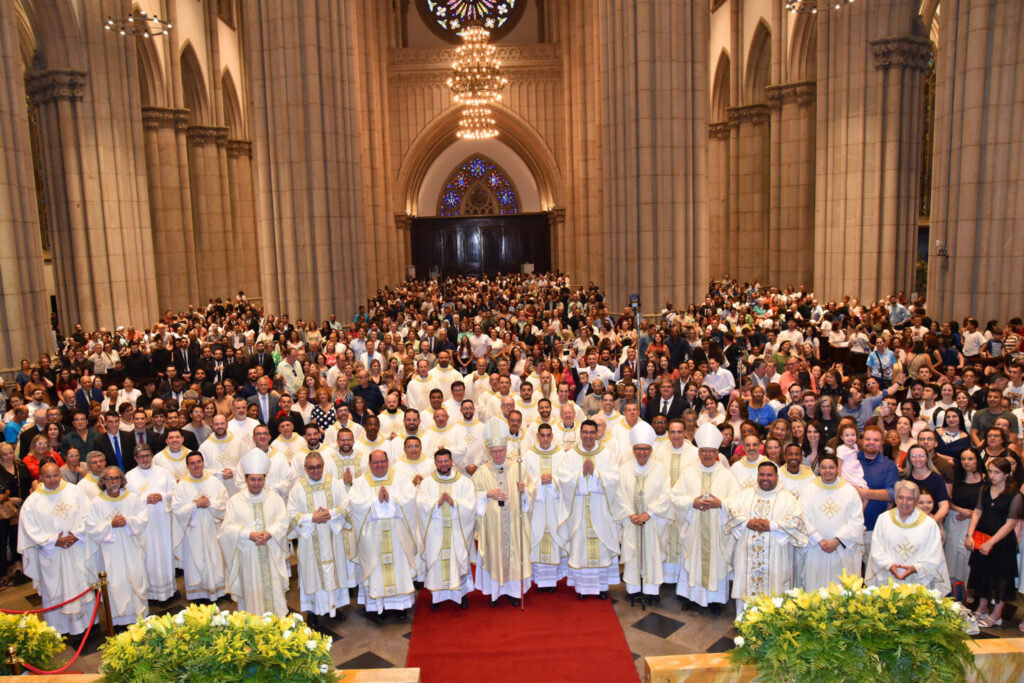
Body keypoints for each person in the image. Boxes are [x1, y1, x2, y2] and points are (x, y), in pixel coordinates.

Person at [16, 463, 94, 634]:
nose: (52, 480)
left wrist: (77, 534)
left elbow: (89, 515)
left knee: (81, 582)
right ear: (41, 478)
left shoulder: (75, 492)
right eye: (47, 477)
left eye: (55, 475)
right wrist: (53, 541)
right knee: (55, 587)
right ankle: (59, 626)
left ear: (61, 474)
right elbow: (29, 529)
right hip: (51, 554)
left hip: (77, 547)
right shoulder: (32, 502)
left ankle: (87, 622)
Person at [670, 423, 738, 613]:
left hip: (718, 531)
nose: (707, 454)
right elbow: (675, 497)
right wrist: (692, 502)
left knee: (716, 561)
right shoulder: (689, 473)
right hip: (694, 529)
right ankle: (690, 597)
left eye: (711, 451)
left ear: (717, 452)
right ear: (699, 452)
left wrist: (721, 504)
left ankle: (715, 600)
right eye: (704, 451)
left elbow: (737, 502)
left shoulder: (726, 475)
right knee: (692, 558)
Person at [726, 461, 809, 615]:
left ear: (777, 477)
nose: (765, 478)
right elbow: (732, 512)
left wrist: (772, 526)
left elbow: (796, 521)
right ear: (757, 476)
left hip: (776, 557)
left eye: (769, 475)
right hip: (747, 555)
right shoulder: (745, 495)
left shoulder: (787, 498)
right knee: (746, 587)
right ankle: (744, 619)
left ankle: (772, 624)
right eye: (762, 474)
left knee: (774, 589)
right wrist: (748, 522)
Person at [218, 450, 291, 616]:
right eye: (252, 479)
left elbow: (284, 521)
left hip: (271, 552)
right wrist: (247, 534)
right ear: (246, 479)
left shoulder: (275, 499)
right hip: (248, 557)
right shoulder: (235, 501)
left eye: (260, 479)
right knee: (251, 595)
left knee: (274, 590)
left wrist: (270, 533)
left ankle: (277, 624)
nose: (256, 483)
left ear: (265, 479)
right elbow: (226, 530)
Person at [349, 450, 418, 620]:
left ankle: (400, 606)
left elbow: (410, 497)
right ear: (370, 464)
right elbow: (354, 503)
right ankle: (375, 608)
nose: (379, 465)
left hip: (396, 536)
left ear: (388, 462)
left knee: (399, 569)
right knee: (376, 572)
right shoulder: (360, 482)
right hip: (372, 539)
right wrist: (376, 502)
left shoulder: (400, 478)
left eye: (382, 462)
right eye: (376, 463)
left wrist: (392, 499)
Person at [286, 452, 351, 625]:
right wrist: (311, 518)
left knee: (333, 572)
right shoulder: (298, 487)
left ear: (323, 466)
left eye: (318, 467)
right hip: (309, 541)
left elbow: (346, 505)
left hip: (331, 537)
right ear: (305, 469)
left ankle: (333, 608)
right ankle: (312, 612)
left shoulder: (333, 483)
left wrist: (331, 513)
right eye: (311, 467)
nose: (315, 470)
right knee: (311, 574)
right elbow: (291, 515)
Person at [473, 419, 533, 606]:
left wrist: (525, 492)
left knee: (514, 557)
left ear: (506, 450)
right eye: (495, 452)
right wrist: (486, 494)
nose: (499, 454)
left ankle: (514, 593)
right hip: (492, 528)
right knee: (494, 556)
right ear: (489, 452)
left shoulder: (517, 468)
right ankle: (495, 593)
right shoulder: (481, 472)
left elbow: (529, 495)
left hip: (513, 524)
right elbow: (472, 497)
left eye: (502, 451)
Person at [83, 465, 149, 626]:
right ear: (103, 481)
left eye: (117, 478)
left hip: (131, 546)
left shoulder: (132, 498)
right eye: (110, 479)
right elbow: (91, 526)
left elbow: (143, 518)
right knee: (115, 582)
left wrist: (128, 521)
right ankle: (118, 620)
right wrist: (110, 524)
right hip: (110, 552)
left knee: (136, 575)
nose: (114, 482)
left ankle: (138, 616)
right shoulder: (97, 502)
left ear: (122, 480)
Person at [965, 457, 1022, 629]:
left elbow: (1011, 523)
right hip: (981, 536)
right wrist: (970, 534)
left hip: (1002, 542)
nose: (992, 475)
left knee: (1001, 578)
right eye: (990, 471)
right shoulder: (985, 488)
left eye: (997, 472)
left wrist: (991, 542)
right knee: (982, 574)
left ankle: (997, 614)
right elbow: (977, 511)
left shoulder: (1015, 495)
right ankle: (982, 607)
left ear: (1007, 474)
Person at [617, 422, 671, 605]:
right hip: (631, 521)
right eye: (638, 449)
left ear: (651, 449)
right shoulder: (624, 469)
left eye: (646, 449)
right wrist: (630, 514)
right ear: (633, 450)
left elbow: (666, 494)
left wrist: (650, 513)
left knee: (652, 554)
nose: (642, 453)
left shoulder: (660, 469)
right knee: (632, 554)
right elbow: (618, 495)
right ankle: (633, 589)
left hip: (652, 521)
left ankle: (651, 590)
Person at [416, 448, 476, 610]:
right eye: (440, 461)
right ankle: (437, 597)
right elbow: (420, 503)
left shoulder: (464, 482)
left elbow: (471, 504)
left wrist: (454, 503)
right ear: (435, 463)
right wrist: (436, 504)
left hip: (457, 532)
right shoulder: (427, 483)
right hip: (436, 532)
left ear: (451, 462)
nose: (443, 464)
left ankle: (461, 595)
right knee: (436, 563)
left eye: (446, 461)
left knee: (457, 561)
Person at [866, 480, 950, 595]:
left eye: (909, 499)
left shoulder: (929, 524)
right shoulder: (883, 519)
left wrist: (916, 568)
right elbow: (876, 548)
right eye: (900, 497)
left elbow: (934, 554)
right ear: (895, 499)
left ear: (916, 501)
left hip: (918, 580)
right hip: (888, 578)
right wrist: (889, 565)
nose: (904, 502)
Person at [800, 454, 864, 591]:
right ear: (819, 468)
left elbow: (856, 520)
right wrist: (819, 540)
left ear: (837, 469)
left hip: (841, 549)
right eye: (824, 467)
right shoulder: (808, 490)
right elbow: (802, 517)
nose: (827, 470)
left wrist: (837, 541)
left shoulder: (850, 491)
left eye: (831, 467)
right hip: (816, 548)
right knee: (815, 590)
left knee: (841, 590)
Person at [171, 452, 228, 602]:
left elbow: (224, 502)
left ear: (203, 463)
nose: (196, 466)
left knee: (215, 557)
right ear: (188, 466)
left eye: (199, 462)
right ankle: (198, 593)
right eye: (192, 463)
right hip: (192, 531)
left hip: (212, 526)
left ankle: (219, 590)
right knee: (196, 559)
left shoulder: (214, 481)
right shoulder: (182, 485)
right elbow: (176, 509)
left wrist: (210, 503)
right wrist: (195, 505)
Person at [125, 445, 177, 601]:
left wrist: (162, 496)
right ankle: (150, 592)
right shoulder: (129, 476)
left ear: (152, 456)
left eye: (147, 455)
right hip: (143, 526)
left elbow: (175, 492)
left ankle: (169, 589)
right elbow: (126, 501)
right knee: (147, 554)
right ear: (135, 458)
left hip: (162, 521)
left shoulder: (163, 473)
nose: (145, 459)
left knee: (165, 552)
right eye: (141, 456)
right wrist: (144, 499)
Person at [522, 423, 568, 591]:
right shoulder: (528, 455)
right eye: (543, 435)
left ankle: (553, 580)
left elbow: (566, 478)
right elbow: (525, 482)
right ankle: (540, 581)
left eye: (549, 435)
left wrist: (554, 480)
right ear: (537, 436)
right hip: (537, 508)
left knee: (553, 538)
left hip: (555, 505)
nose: (546, 439)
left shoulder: (561, 455)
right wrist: (538, 482)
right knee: (537, 538)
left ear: (552, 437)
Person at [945, 450, 983, 590]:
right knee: (952, 556)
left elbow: (987, 504)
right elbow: (947, 500)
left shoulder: (985, 480)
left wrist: (971, 513)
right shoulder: (955, 478)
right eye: (963, 459)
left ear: (977, 460)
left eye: (970, 459)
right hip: (955, 519)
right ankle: (951, 590)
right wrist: (962, 510)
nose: (966, 462)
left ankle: (967, 591)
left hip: (975, 524)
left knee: (967, 560)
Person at [200, 414, 245, 496]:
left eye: (222, 423)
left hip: (235, 487)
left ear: (227, 424)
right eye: (216, 424)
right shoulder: (205, 447)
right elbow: (201, 470)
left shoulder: (239, 443)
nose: (220, 426)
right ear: (212, 426)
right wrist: (219, 473)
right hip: (215, 488)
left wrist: (234, 471)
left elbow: (245, 464)